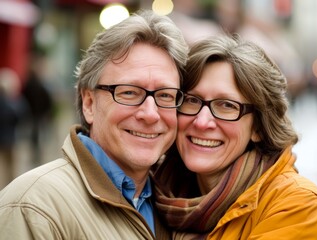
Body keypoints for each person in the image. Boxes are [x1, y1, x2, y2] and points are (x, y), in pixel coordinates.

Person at [0, 10, 188, 239]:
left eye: (166, 96)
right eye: (129, 92)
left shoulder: (175, 207)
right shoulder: (33, 208)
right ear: (89, 103)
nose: (150, 114)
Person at [151, 35, 317, 239]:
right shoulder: (151, 193)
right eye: (192, 100)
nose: (202, 122)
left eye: (227, 106)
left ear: (258, 127)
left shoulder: (295, 204)